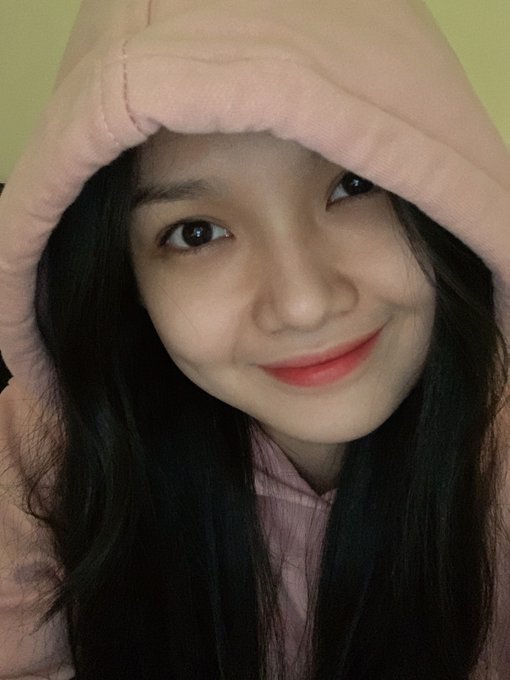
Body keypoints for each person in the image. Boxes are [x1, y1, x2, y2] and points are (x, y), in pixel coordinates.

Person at [0, 0, 509, 678]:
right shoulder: (45, 454)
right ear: (126, 279)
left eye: (354, 184)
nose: (302, 305)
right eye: (197, 233)